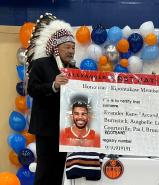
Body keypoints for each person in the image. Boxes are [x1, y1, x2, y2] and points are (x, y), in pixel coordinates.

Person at [26, 13, 76, 185]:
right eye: (67, 47)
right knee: (44, 171)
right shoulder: (40, 65)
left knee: (59, 172)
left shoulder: (75, 70)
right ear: (56, 47)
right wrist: (53, 85)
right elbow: (32, 89)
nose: (71, 51)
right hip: (46, 129)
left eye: (73, 48)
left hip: (67, 130)